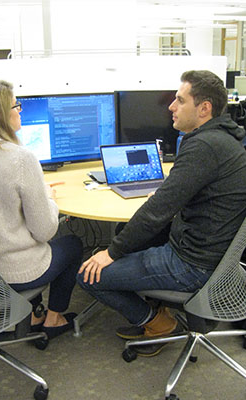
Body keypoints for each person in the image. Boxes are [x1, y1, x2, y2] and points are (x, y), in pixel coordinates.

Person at [77, 70, 246, 355]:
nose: (171, 107)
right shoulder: (225, 138)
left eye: (179, 100)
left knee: (87, 275)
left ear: (204, 108)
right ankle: (156, 304)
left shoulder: (203, 145)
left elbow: (156, 212)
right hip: (216, 254)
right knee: (129, 235)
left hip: (192, 264)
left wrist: (111, 253)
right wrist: (169, 194)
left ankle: (156, 322)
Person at [0, 79, 83, 339]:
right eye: (16, 106)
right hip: (14, 272)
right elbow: (44, 231)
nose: (20, 110)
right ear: (1, 115)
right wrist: (49, 196)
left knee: (30, 241)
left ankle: (34, 314)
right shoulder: (21, 159)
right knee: (72, 244)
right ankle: (53, 319)